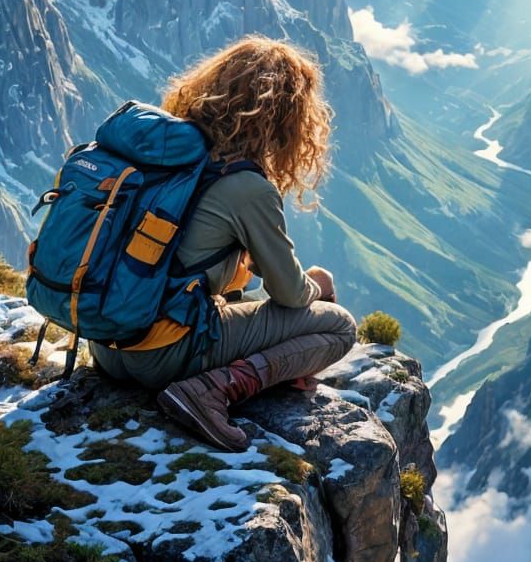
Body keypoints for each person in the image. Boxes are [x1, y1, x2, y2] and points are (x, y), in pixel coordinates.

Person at [89, 36, 357, 451]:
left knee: (233, 294)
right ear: (283, 117)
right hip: (163, 354)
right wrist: (316, 285)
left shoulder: (169, 154)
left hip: (107, 344)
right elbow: (288, 293)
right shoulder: (247, 186)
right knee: (338, 325)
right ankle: (211, 391)